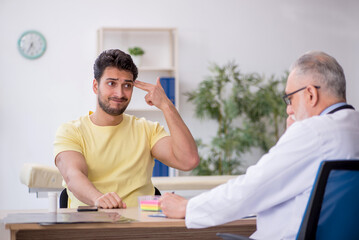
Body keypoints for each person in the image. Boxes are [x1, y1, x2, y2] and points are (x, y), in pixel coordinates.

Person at [159, 51, 359, 239]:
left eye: (290, 99)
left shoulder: (313, 132)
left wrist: (188, 208)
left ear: (310, 94)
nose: (289, 109)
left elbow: (251, 188)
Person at [54, 49, 199, 209]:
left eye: (127, 85)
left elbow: (188, 161)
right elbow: (73, 176)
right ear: (96, 86)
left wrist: (166, 105)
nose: (120, 93)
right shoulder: (71, 131)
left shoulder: (148, 129)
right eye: (111, 83)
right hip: (89, 226)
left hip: (139, 227)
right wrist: (99, 199)